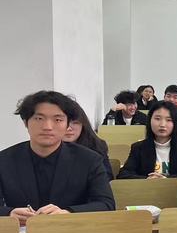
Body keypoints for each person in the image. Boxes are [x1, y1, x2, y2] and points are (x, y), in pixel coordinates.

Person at [0, 91, 115, 221]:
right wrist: (9, 213)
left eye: (58, 120)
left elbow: (106, 204)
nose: (47, 127)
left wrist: (68, 212)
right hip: (21, 231)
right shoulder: (4, 160)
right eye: (39, 119)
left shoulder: (89, 160)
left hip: (72, 231)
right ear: (26, 122)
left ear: (67, 125)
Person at [117, 101, 177, 179]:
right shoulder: (138, 148)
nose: (162, 124)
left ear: (176, 123)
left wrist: (165, 180)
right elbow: (124, 175)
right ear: (150, 120)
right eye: (157, 119)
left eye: (169, 120)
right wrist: (147, 180)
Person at [63, 100, 114, 180]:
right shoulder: (46, 148)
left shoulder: (96, 145)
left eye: (75, 123)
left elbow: (106, 176)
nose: (69, 128)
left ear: (83, 124)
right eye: (63, 122)